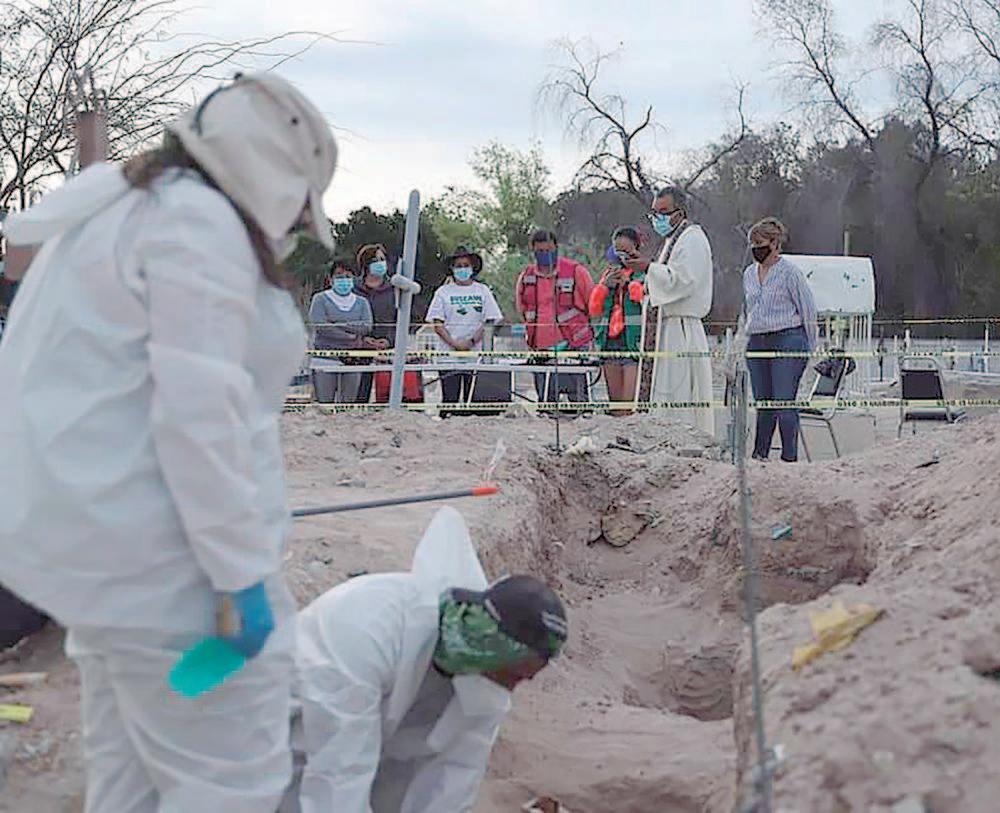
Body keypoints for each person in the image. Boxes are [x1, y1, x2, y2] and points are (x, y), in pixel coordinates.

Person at [0, 73, 337, 812]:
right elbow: (198, 417)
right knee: (229, 782)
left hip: (113, 588)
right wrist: (239, 577)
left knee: (134, 782)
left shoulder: (122, 207)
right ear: (274, 175)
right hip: (181, 593)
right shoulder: (198, 225)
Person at [281, 507, 568, 812]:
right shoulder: (368, 628)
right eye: (515, 674)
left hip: (361, 758)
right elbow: (338, 773)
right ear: (493, 648)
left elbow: (454, 777)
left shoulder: (488, 680)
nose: (517, 685)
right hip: (277, 743)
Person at [625, 186, 715, 435]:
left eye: (663, 212)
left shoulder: (692, 238)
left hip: (680, 330)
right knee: (662, 393)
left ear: (680, 212)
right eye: (654, 213)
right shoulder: (671, 241)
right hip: (663, 329)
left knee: (677, 392)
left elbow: (684, 280)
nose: (657, 218)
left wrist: (648, 268)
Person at [743, 217, 818, 462]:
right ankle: (760, 455)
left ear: (775, 244)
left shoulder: (790, 273)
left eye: (760, 244)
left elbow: (807, 310)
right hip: (757, 340)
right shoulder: (749, 274)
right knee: (763, 403)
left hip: (788, 338)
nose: (756, 249)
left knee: (784, 402)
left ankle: (789, 458)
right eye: (753, 244)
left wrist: (810, 347)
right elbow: (748, 310)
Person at [515, 229, 595, 406]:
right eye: (540, 251)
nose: (545, 254)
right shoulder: (526, 276)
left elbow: (592, 304)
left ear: (556, 248)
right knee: (546, 401)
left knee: (578, 399)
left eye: (549, 250)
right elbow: (522, 310)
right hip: (541, 348)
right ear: (533, 251)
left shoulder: (576, 272)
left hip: (573, 344)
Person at [426, 246, 503, 412]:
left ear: (472, 267)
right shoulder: (443, 292)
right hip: (448, 356)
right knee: (449, 400)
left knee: (474, 401)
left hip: (476, 355)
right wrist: (455, 344)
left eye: (465, 265)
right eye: (458, 266)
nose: (462, 269)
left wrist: (472, 341)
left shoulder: (482, 290)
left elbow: (490, 321)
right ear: (452, 268)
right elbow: (437, 323)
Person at [354, 243, 424, 404]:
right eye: (375, 260)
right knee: (359, 398)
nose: (380, 263)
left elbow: (413, 318)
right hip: (360, 351)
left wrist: (389, 340)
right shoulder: (353, 289)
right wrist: (362, 340)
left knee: (390, 399)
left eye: (382, 259)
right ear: (365, 264)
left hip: (391, 352)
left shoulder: (396, 288)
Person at [589, 227, 646, 415]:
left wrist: (628, 284)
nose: (621, 256)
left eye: (625, 251)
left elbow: (645, 299)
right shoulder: (609, 274)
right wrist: (604, 287)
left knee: (628, 406)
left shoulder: (644, 273)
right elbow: (594, 309)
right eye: (617, 250)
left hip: (633, 343)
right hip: (610, 342)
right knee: (615, 406)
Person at [309, 259, 373, 404]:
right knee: (324, 403)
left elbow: (366, 326)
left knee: (349, 403)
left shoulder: (362, 302)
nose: (344, 280)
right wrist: (349, 335)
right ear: (331, 279)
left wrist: (335, 323)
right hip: (325, 359)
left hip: (353, 359)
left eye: (348, 276)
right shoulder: (320, 299)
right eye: (339, 276)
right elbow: (320, 325)